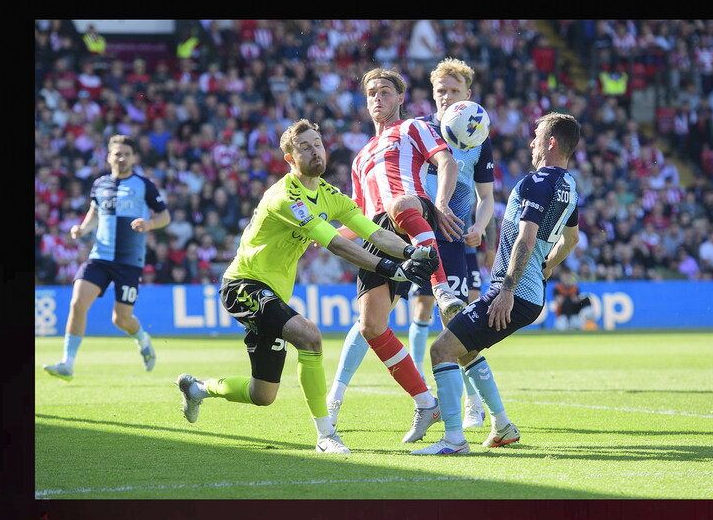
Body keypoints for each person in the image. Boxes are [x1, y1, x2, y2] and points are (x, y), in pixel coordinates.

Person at [173, 119, 441, 454]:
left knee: (263, 394)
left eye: (318, 143)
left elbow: (373, 232)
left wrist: (410, 251)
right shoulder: (285, 197)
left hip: (273, 294)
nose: (315, 150)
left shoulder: (330, 196)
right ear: (289, 158)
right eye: (304, 146)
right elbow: (337, 245)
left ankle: (197, 388)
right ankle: (326, 435)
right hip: (242, 286)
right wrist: (392, 269)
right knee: (309, 336)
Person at [328, 58, 496, 432]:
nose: (377, 98)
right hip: (379, 233)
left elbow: (447, 163)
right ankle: (425, 402)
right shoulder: (359, 158)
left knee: (400, 203)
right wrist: (319, 236)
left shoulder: (415, 127)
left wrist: (439, 204)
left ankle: (441, 290)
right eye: (371, 93)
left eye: (385, 92)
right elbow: (356, 216)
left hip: (414, 209)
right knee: (371, 325)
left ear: (400, 97)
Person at [411, 111, 581, 455]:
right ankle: (502, 425)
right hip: (529, 293)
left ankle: (454, 440)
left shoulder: (537, 182)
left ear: (551, 143)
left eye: (537, 137)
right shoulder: (570, 187)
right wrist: (546, 268)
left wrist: (506, 289)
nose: (531, 143)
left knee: (441, 349)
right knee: (464, 350)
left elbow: (526, 238)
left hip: (512, 292)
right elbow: (572, 239)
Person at [43, 135, 171, 381]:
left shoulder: (144, 185)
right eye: (117, 153)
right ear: (109, 156)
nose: (121, 158)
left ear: (134, 157)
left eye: (126, 153)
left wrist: (150, 223)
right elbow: (94, 213)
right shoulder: (99, 184)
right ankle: (67, 363)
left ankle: (143, 340)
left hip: (129, 261)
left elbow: (165, 217)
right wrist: (82, 229)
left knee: (120, 318)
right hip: (100, 256)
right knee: (77, 303)